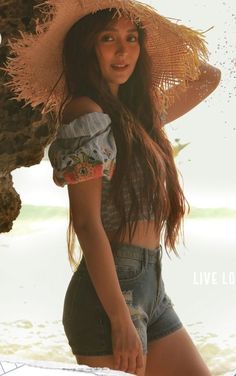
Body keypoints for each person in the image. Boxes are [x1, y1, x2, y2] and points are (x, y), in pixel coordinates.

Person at [2, 1, 221, 375]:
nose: (123, 50)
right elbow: (87, 223)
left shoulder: (137, 116)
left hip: (152, 288)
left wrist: (150, 37)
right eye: (108, 39)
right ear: (86, 47)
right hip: (111, 299)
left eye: (132, 39)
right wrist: (120, 319)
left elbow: (207, 76)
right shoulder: (85, 115)